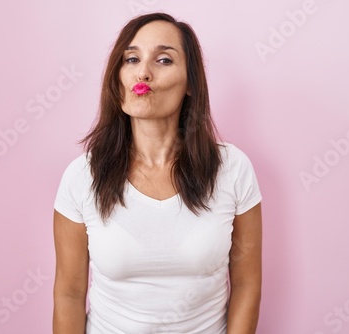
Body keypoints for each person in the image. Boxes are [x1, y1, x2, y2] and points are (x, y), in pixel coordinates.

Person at [53, 12, 262, 334]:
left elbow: (247, 283)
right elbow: (69, 293)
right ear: (118, 77)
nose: (143, 72)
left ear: (191, 83)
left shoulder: (232, 169)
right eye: (132, 59)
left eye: (164, 60)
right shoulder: (82, 176)